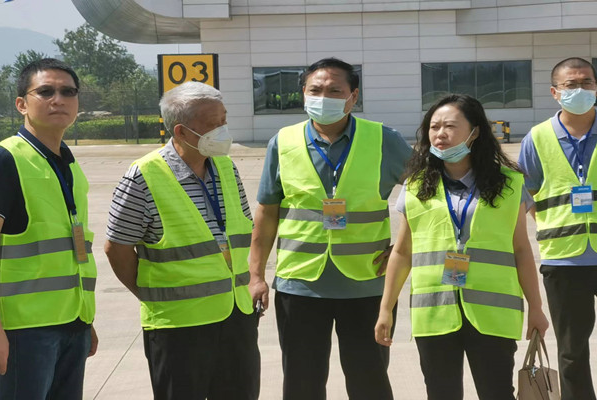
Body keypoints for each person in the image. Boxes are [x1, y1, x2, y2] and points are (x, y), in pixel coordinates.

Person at [249, 57, 412, 400]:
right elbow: (267, 210)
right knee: (301, 382)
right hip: (300, 285)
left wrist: (402, 249)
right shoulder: (283, 141)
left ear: (353, 97)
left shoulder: (384, 139)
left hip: (367, 284)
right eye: (316, 90)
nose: (324, 97)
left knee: (369, 381)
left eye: (335, 91)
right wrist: (256, 275)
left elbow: (428, 194)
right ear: (303, 94)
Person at [375, 94, 549, 400]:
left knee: (497, 393)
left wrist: (536, 308)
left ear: (475, 131)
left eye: (450, 126)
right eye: (434, 127)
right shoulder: (416, 187)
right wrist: (385, 309)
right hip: (434, 314)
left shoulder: (510, 184)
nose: (440, 134)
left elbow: (521, 250)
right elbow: (402, 252)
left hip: (493, 313)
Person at [104, 81, 260, 400]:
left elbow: (242, 232)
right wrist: (153, 294)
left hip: (236, 316)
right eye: (213, 124)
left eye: (224, 120)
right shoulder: (144, 176)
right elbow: (117, 248)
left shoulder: (226, 168)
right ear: (181, 131)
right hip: (178, 325)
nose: (223, 130)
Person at [0, 58, 98, 399]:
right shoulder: (6, 160)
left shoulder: (67, 163)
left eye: (68, 92)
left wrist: (85, 320)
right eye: (45, 92)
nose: (58, 99)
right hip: (22, 331)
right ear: (21, 104)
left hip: (72, 324)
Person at [518, 57, 597, 400]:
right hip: (564, 261)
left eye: (586, 83)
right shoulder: (537, 138)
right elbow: (526, 194)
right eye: (570, 85)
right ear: (554, 92)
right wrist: (554, 225)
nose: (580, 90)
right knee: (571, 351)